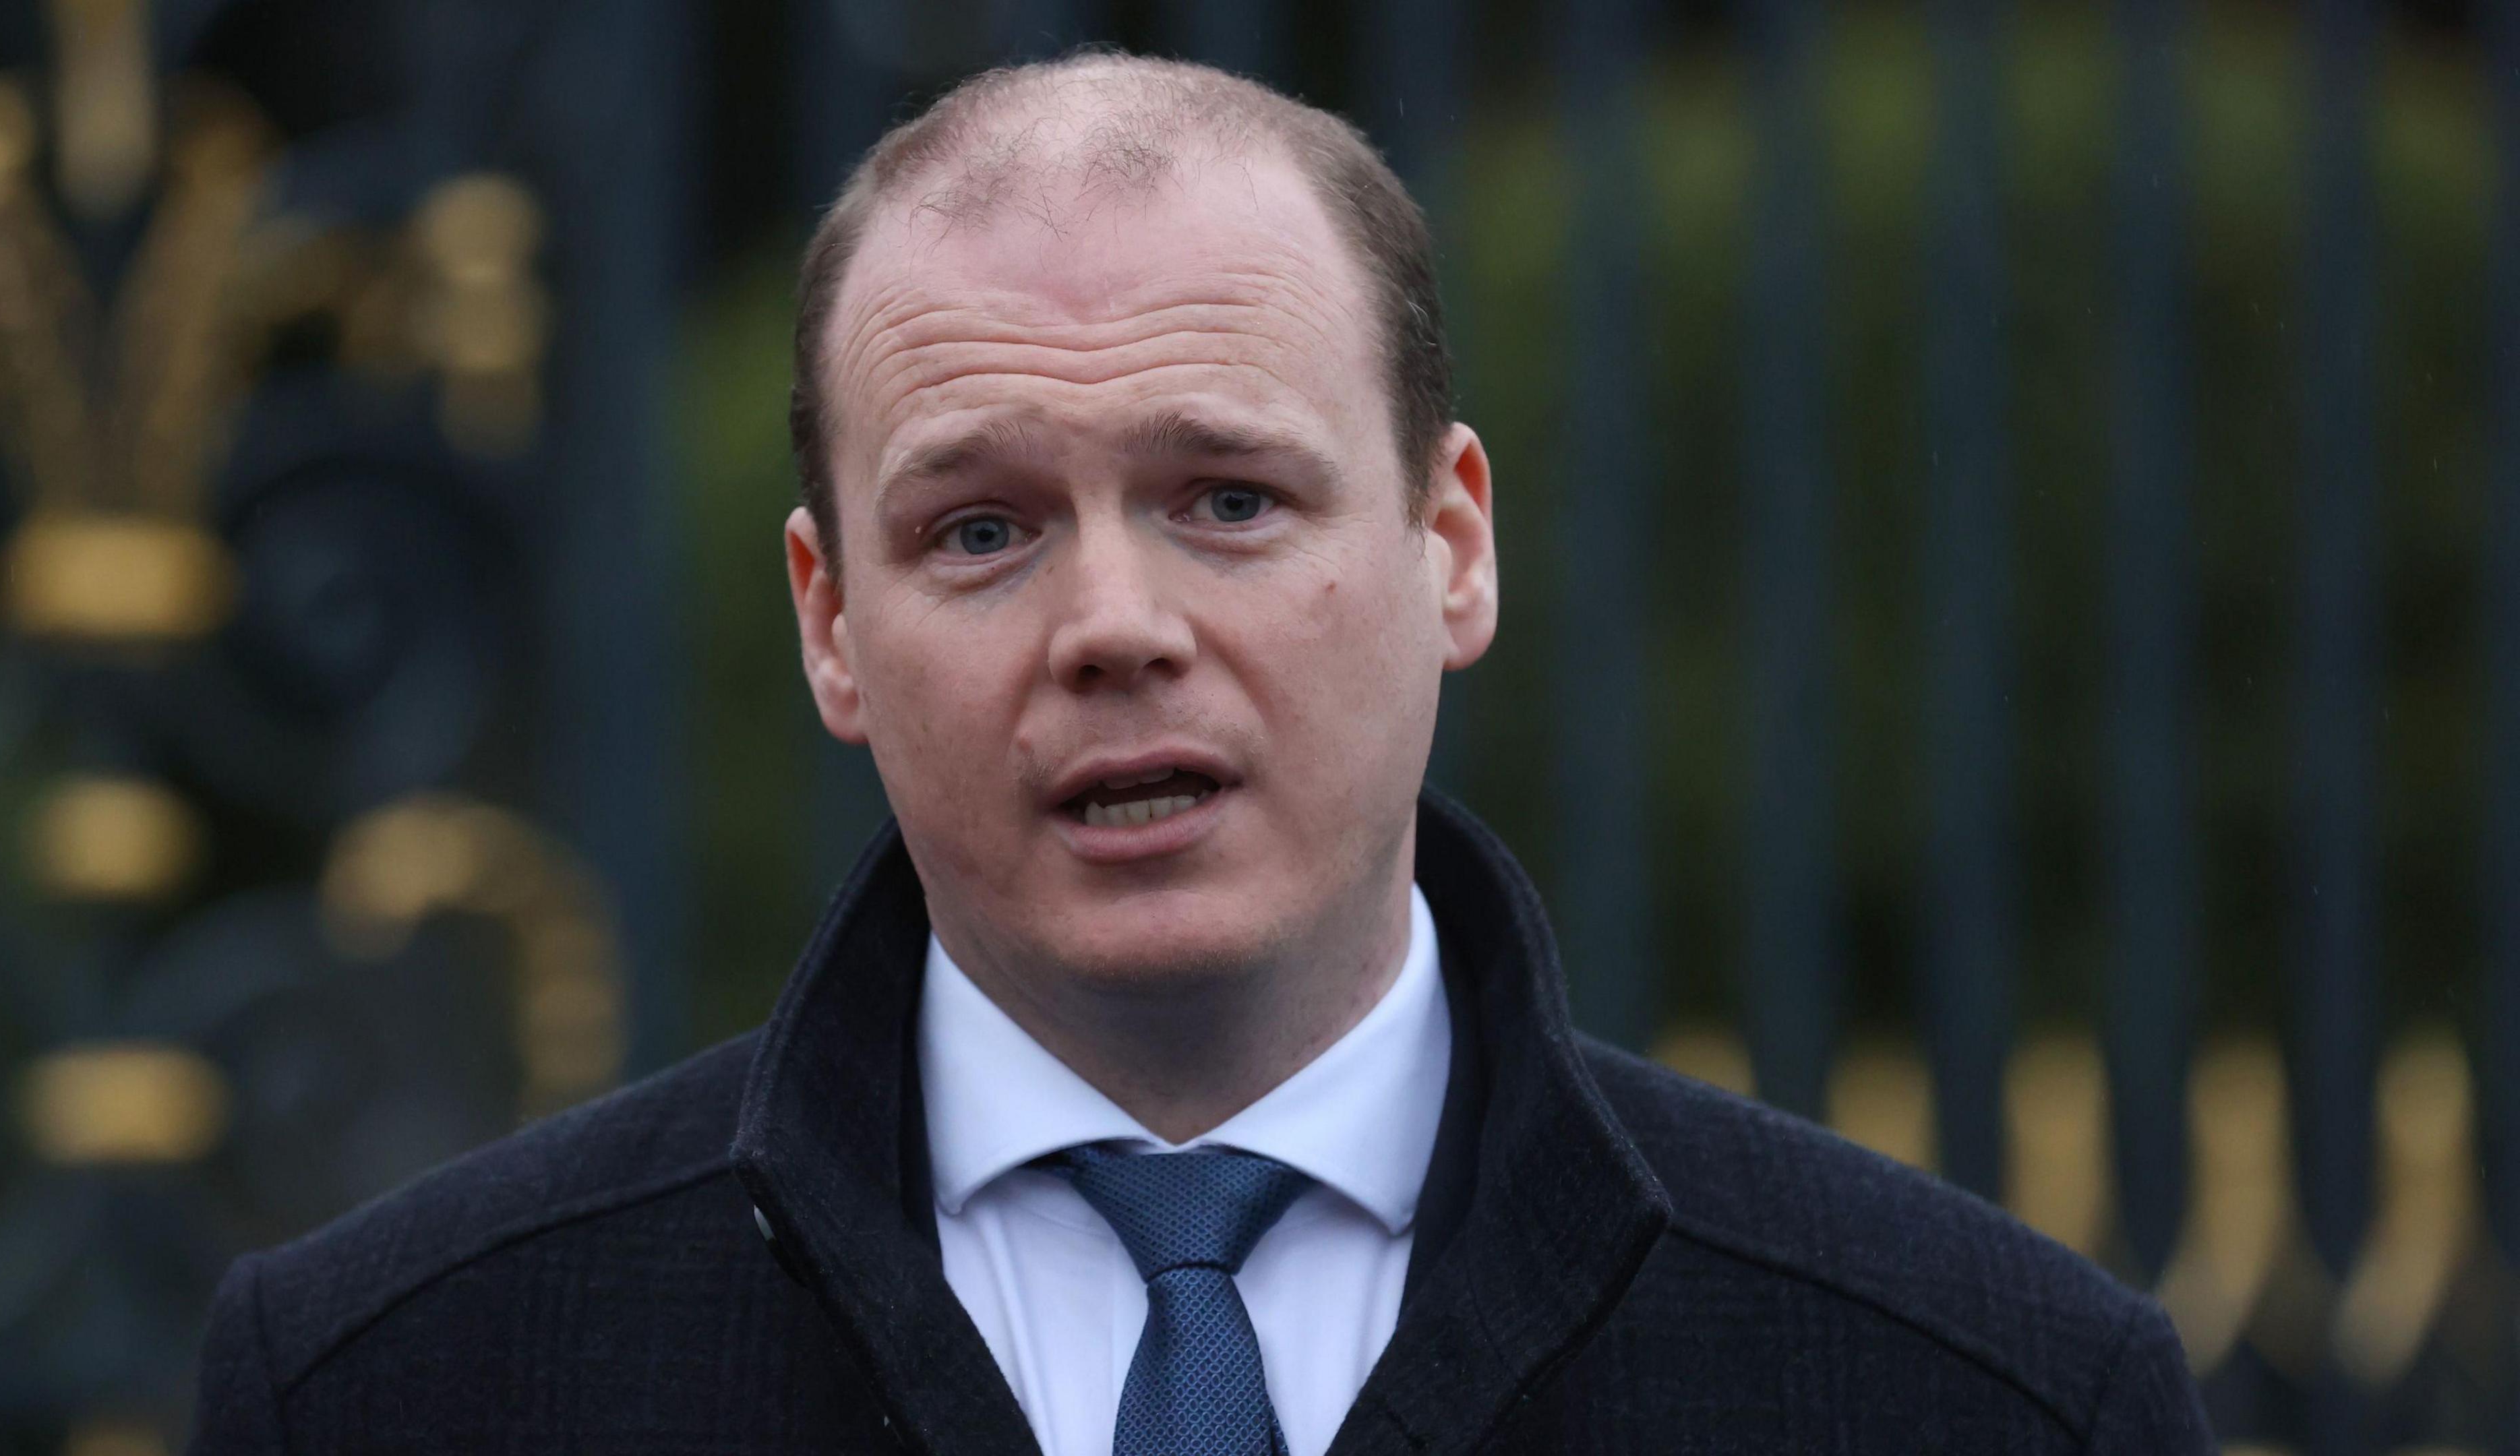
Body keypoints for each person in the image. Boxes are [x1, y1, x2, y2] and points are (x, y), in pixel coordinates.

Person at [187, 51, 2211, 1455]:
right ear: (828, 622)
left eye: (1229, 496)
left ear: (1450, 542)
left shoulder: (1984, 1399)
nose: (1115, 627)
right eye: (980, 529)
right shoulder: (406, 1390)